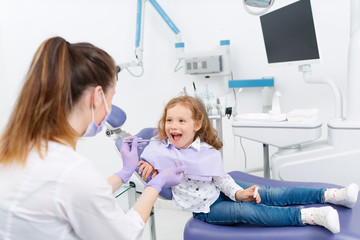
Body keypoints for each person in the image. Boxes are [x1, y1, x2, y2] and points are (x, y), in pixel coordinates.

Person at [0, 36, 185, 240]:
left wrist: (125, 172)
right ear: (97, 97)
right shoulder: (72, 172)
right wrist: (157, 183)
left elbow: (79, 197)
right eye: (112, 96)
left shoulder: (15, 150)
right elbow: (125, 233)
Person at [138, 95, 359, 234]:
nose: (173, 126)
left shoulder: (206, 153)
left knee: (274, 194)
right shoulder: (161, 148)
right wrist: (147, 162)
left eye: (181, 121)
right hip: (207, 209)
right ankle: (311, 216)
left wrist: (239, 193)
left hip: (222, 189)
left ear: (197, 125)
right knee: (251, 212)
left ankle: (330, 195)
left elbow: (221, 179)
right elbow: (148, 149)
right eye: (169, 120)